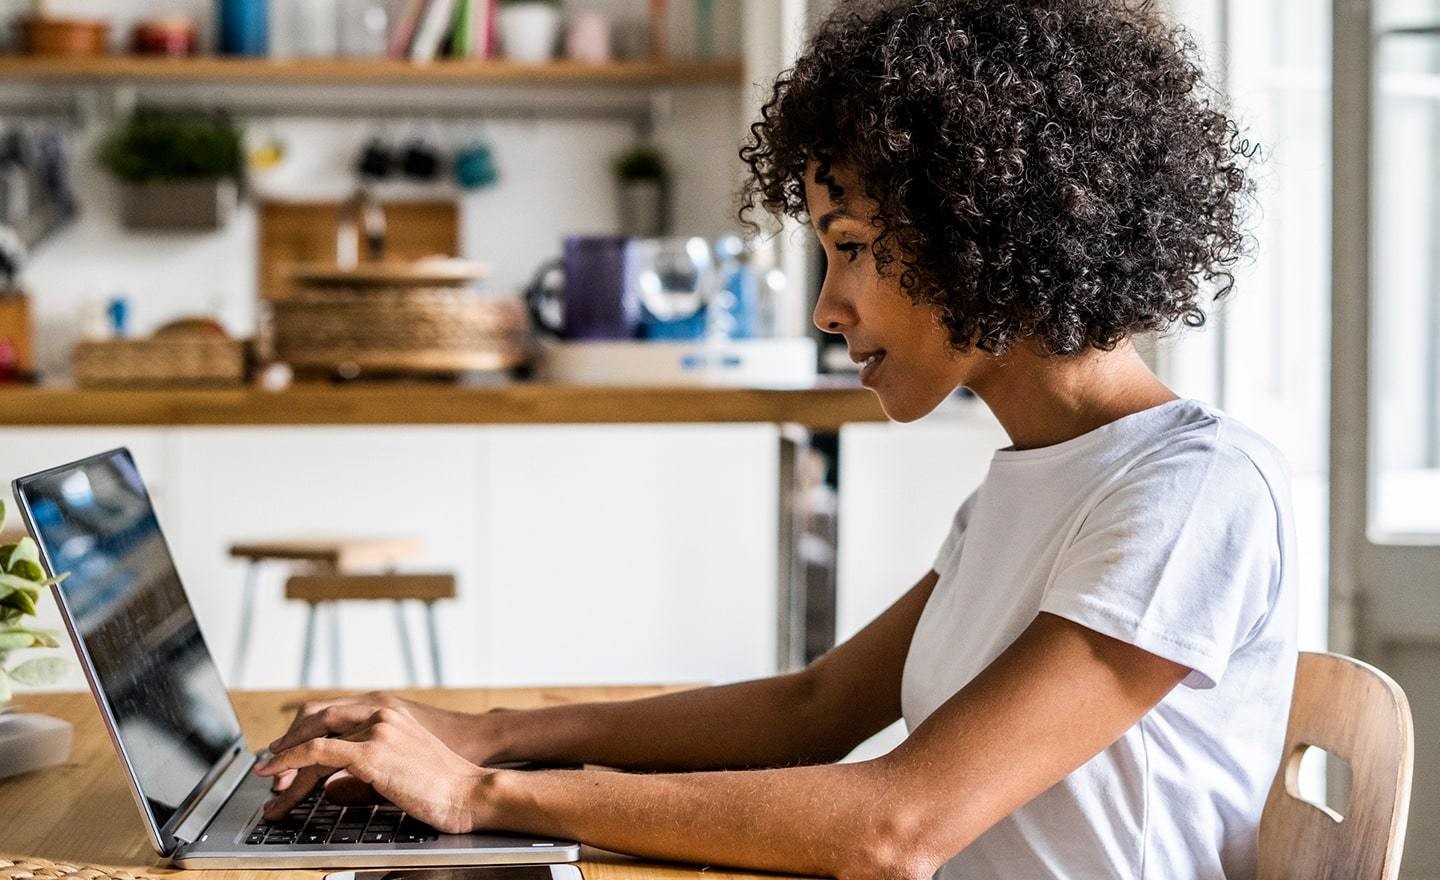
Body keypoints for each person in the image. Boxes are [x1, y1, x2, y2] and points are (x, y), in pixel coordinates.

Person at [256, 1, 1295, 877]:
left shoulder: (1192, 492)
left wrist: (482, 793)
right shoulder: (1028, 486)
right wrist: (487, 733)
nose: (828, 307)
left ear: (989, 231)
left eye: (850, 250)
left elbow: (899, 823)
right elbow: (815, 707)